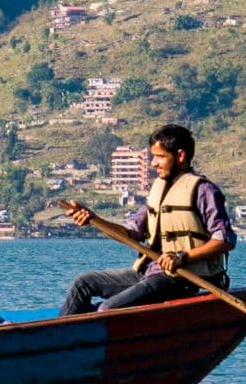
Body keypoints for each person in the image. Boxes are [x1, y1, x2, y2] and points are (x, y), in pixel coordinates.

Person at [58, 123, 234, 313]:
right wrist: (94, 219)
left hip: (183, 278)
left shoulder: (203, 191)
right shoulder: (158, 190)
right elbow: (130, 233)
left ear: (180, 156)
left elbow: (224, 240)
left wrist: (182, 257)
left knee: (108, 309)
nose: (153, 163)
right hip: (150, 272)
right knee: (82, 284)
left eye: (160, 157)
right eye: (153, 157)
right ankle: (57, 338)